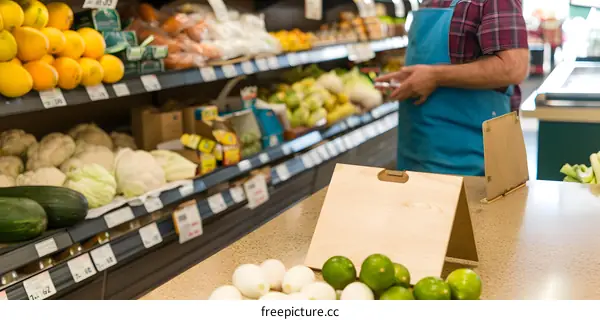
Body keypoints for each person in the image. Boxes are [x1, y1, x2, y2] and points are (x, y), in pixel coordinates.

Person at [376, 0, 529, 176]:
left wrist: (435, 76)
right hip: (418, 152)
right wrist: (409, 80)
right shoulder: (428, 1)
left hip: (473, 162)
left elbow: (512, 67)